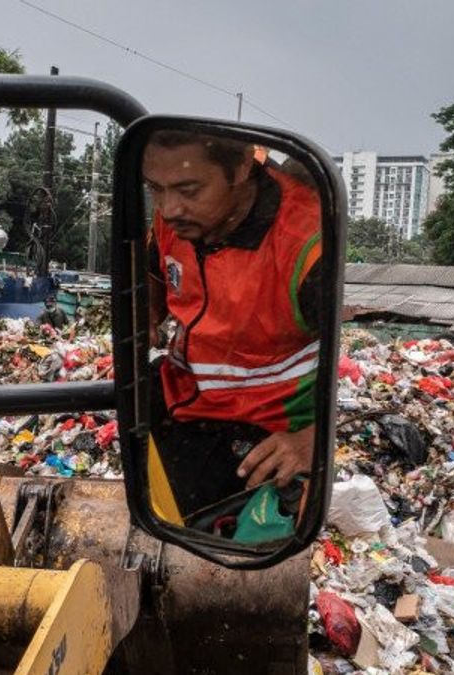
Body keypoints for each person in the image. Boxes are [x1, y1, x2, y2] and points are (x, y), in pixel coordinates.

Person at [144, 129, 323, 518]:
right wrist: (148, 313)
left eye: (189, 190)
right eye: (155, 189)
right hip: (181, 398)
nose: (169, 208)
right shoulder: (174, 221)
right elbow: (153, 271)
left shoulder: (307, 244)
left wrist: (312, 441)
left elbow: (341, 355)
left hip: (265, 431)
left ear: (242, 165)